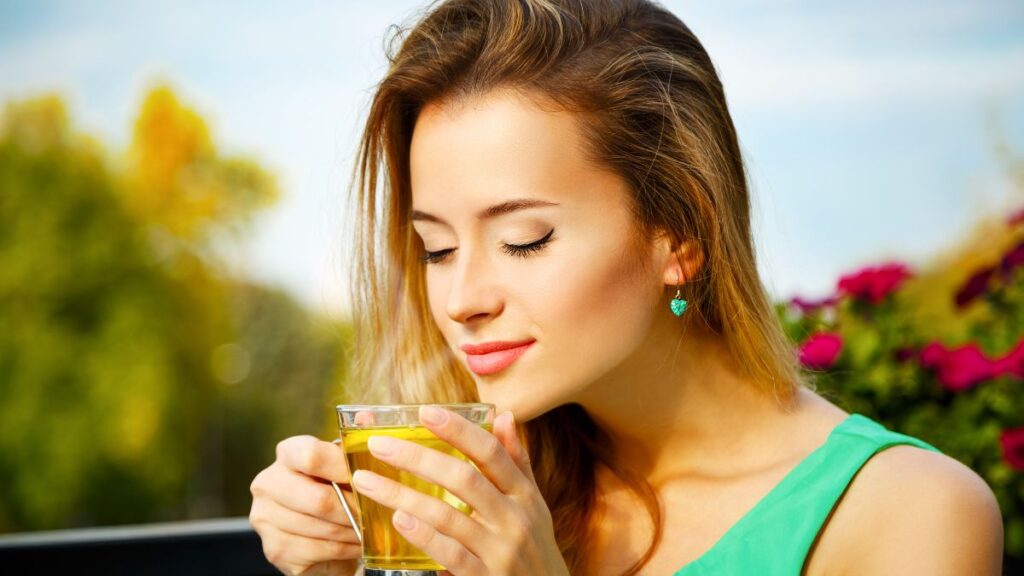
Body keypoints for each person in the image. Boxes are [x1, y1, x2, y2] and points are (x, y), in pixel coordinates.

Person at [248, 1, 1005, 574]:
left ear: (679, 234)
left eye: (525, 240)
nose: (460, 299)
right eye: (435, 248)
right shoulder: (476, 500)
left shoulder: (908, 514)